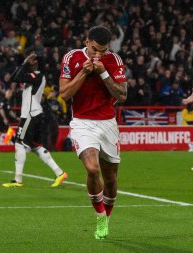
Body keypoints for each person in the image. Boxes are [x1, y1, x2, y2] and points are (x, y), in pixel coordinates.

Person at [59, 26, 127, 240]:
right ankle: (99, 217)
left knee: (111, 179)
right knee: (91, 167)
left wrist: (103, 72)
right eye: (96, 49)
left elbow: (122, 95)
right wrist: (84, 72)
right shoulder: (72, 58)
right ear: (86, 42)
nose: (99, 55)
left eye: (103, 51)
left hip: (108, 123)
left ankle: (106, 217)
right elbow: (64, 93)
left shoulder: (114, 60)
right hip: (82, 123)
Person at [2, 52, 68, 188]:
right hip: (34, 114)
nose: (28, 64)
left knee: (19, 143)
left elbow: (18, 77)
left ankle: (17, 180)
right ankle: (59, 172)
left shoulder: (37, 75)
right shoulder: (34, 76)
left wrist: (26, 63)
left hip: (30, 115)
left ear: (35, 64)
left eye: (31, 62)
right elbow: (14, 78)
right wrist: (23, 64)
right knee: (35, 146)